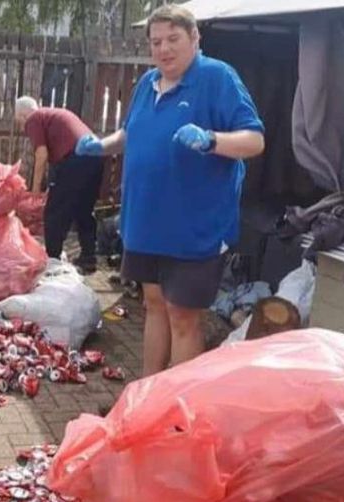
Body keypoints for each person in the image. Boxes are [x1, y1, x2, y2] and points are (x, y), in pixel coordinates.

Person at [76, 5, 265, 376]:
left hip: (194, 228)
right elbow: (130, 134)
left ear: (195, 39)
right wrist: (103, 145)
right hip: (146, 223)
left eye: (173, 39)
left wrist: (211, 140)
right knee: (154, 304)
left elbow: (254, 140)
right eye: (156, 41)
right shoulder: (147, 83)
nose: (163, 49)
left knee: (183, 316)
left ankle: (177, 410)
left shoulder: (218, 78)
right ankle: (149, 392)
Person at [15, 97, 104, 273]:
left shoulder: (34, 118)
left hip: (76, 158)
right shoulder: (54, 115)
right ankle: (88, 257)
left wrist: (35, 189)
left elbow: (41, 154)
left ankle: (53, 260)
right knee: (83, 210)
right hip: (96, 155)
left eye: (19, 121)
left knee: (54, 212)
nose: (22, 127)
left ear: (23, 115)